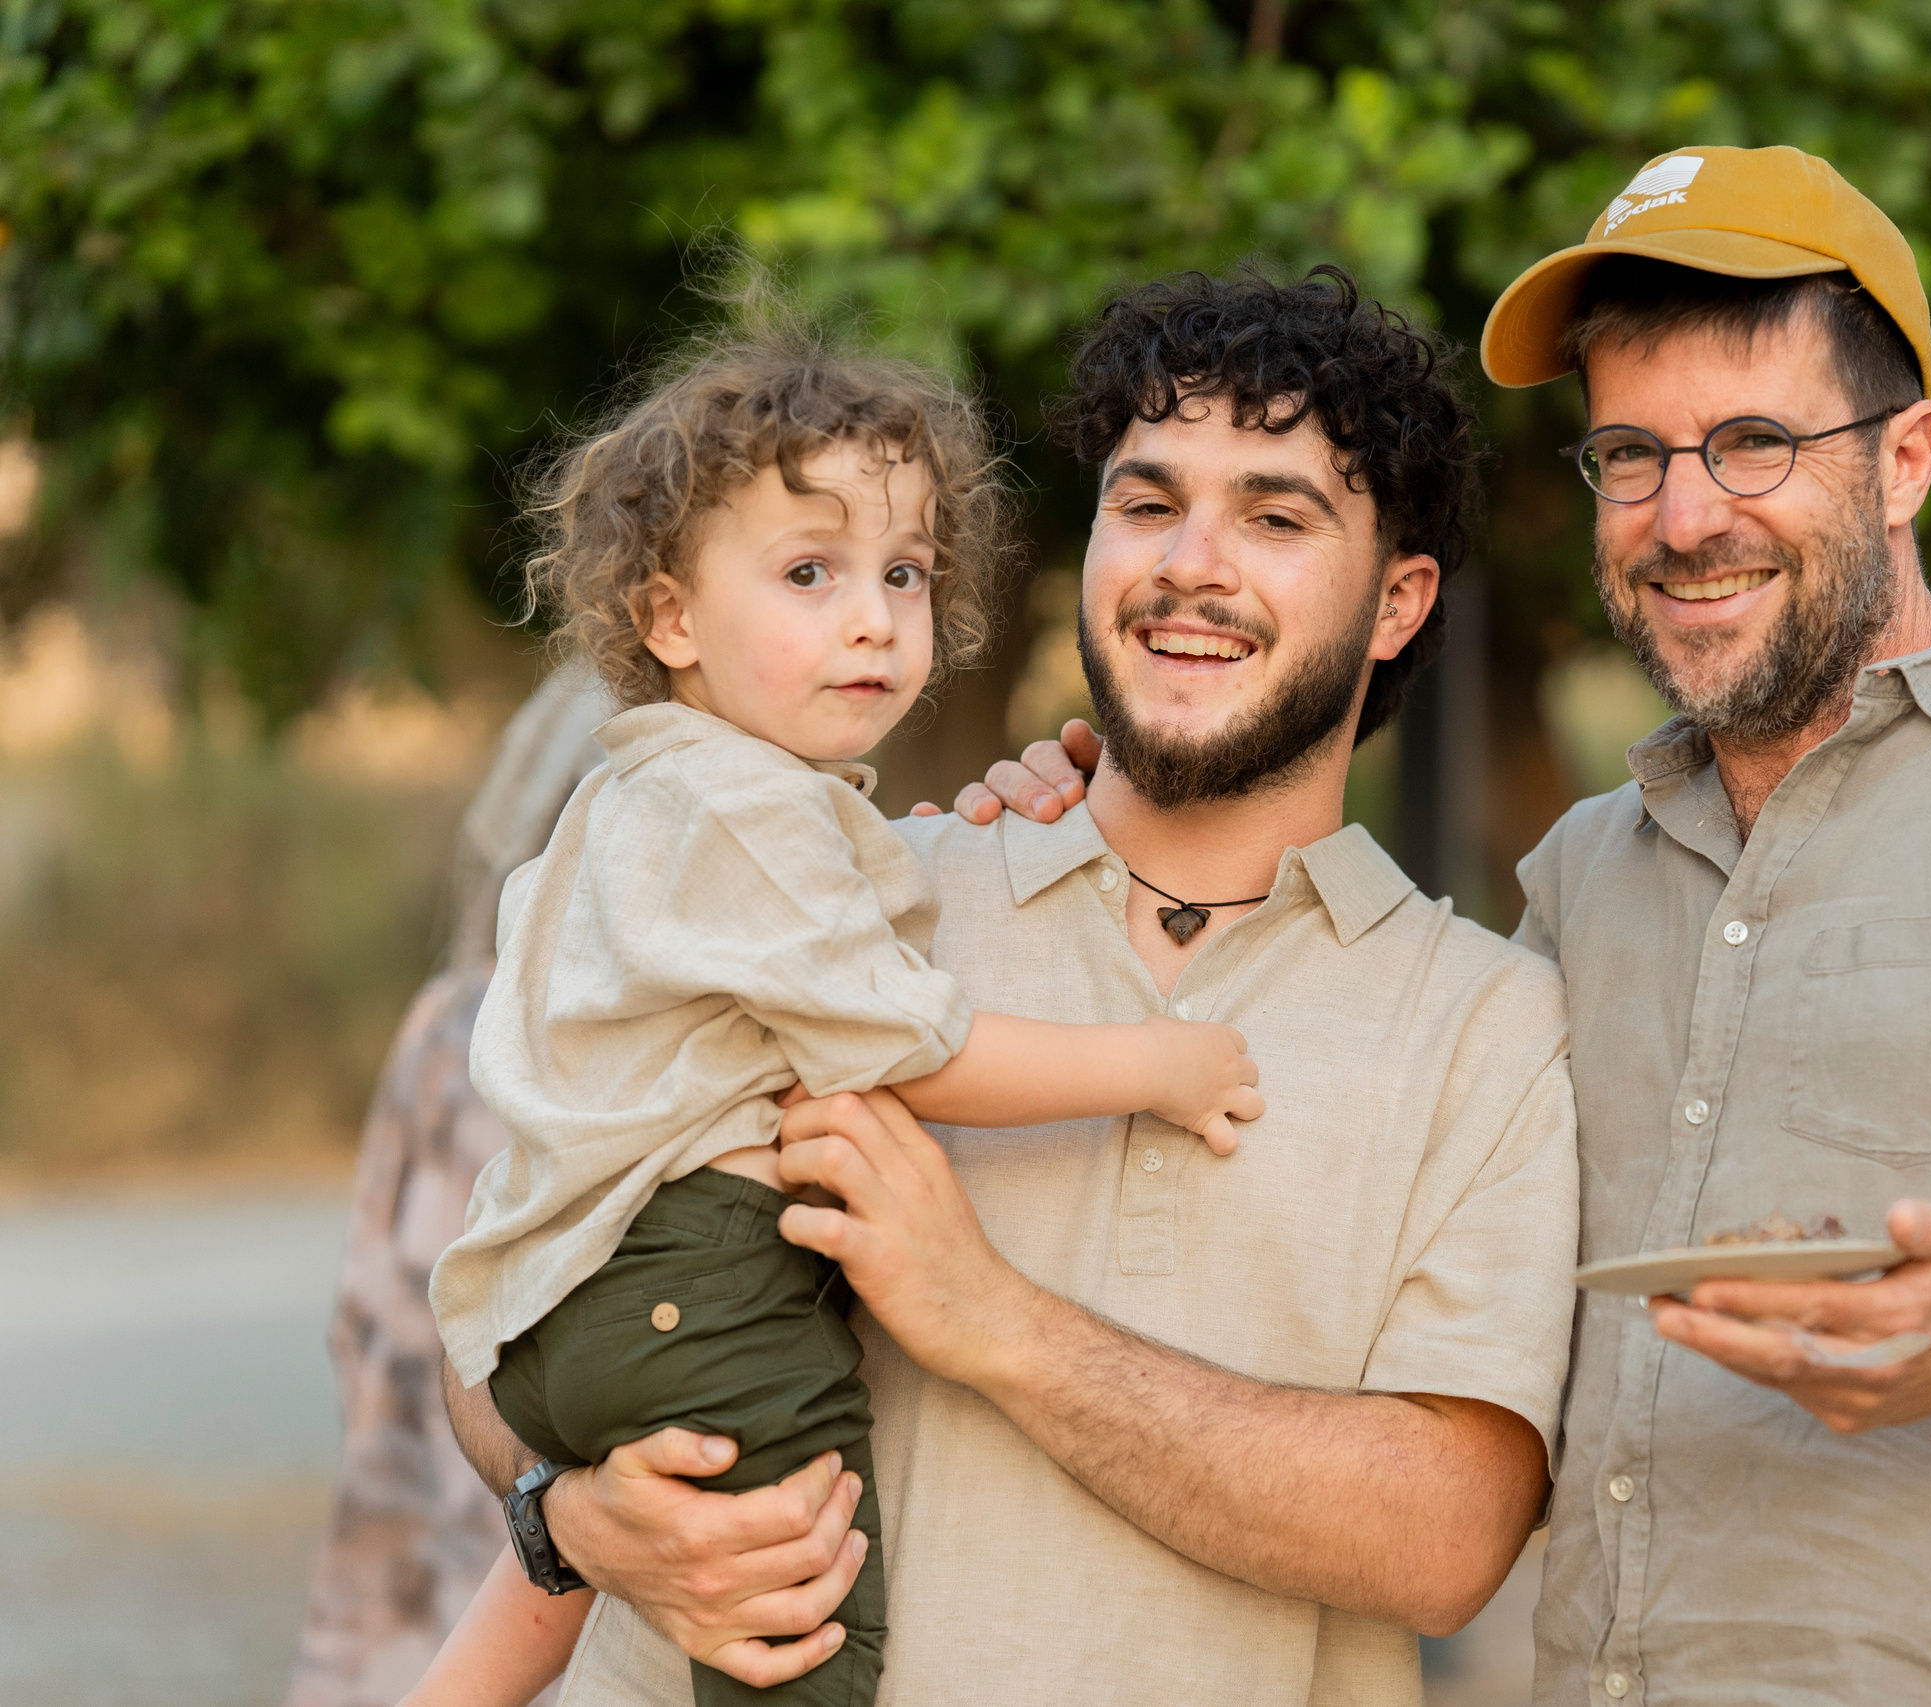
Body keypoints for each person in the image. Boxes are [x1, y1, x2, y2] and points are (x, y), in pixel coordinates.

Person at [973, 147, 1931, 1704]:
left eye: (1754, 442)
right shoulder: (1584, 877)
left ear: (1905, 460)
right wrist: (1095, 806)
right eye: (1630, 454)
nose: (1684, 513)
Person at [436, 266, 1582, 1707]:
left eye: (1277, 517)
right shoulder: (847, 902)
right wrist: (573, 1512)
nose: (1191, 563)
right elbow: (505, 1315)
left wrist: (1000, 1321)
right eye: (1148, 503)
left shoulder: (1491, 1023)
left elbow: (1443, 1538)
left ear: (1400, 599)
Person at [411, 330, 1262, 1707]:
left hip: (569, 1306)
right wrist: (1156, 1062)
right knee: (802, 1624)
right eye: (811, 571)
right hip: (705, 1274)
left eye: (905, 572)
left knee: (589, 1570)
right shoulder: (746, 811)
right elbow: (916, 1050)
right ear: (671, 618)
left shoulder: (653, 793)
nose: (873, 616)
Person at [287, 661, 614, 1707]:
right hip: (563, 1547)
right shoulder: (710, 1034)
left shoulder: (453, 1023)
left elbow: (365, 1315)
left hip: (429, 1533)